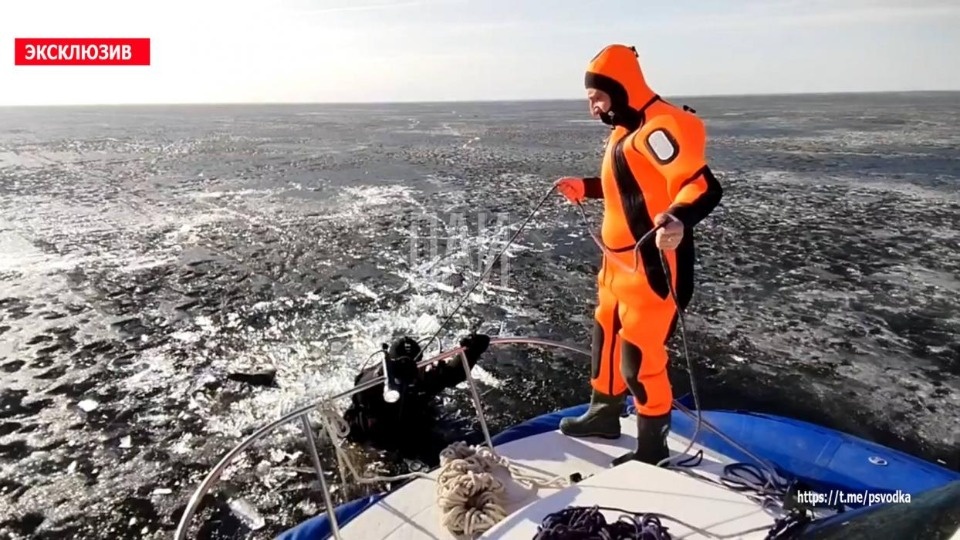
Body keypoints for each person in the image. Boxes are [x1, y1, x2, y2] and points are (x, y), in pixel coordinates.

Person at [554, 44, 723, 466]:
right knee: (605, 341)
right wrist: (587, 186)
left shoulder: (661, 128)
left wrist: (679, 220)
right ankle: (604, 415)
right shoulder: (623, 132)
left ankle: (652, 449)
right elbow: (631, 186)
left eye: (597, 98)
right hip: (615, 268)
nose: (593, 108)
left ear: (619, 87)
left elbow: (700, 185)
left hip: (652, 272)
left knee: (640, 361)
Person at [341, 333, 491, 466]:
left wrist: (472, 351)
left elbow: (452, 373)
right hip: (375, 438)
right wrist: (391, 372)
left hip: (411, 434)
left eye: (414, 364)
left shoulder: (420, 378)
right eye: (401, 364)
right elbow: (363, 387)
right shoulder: (372, 382)